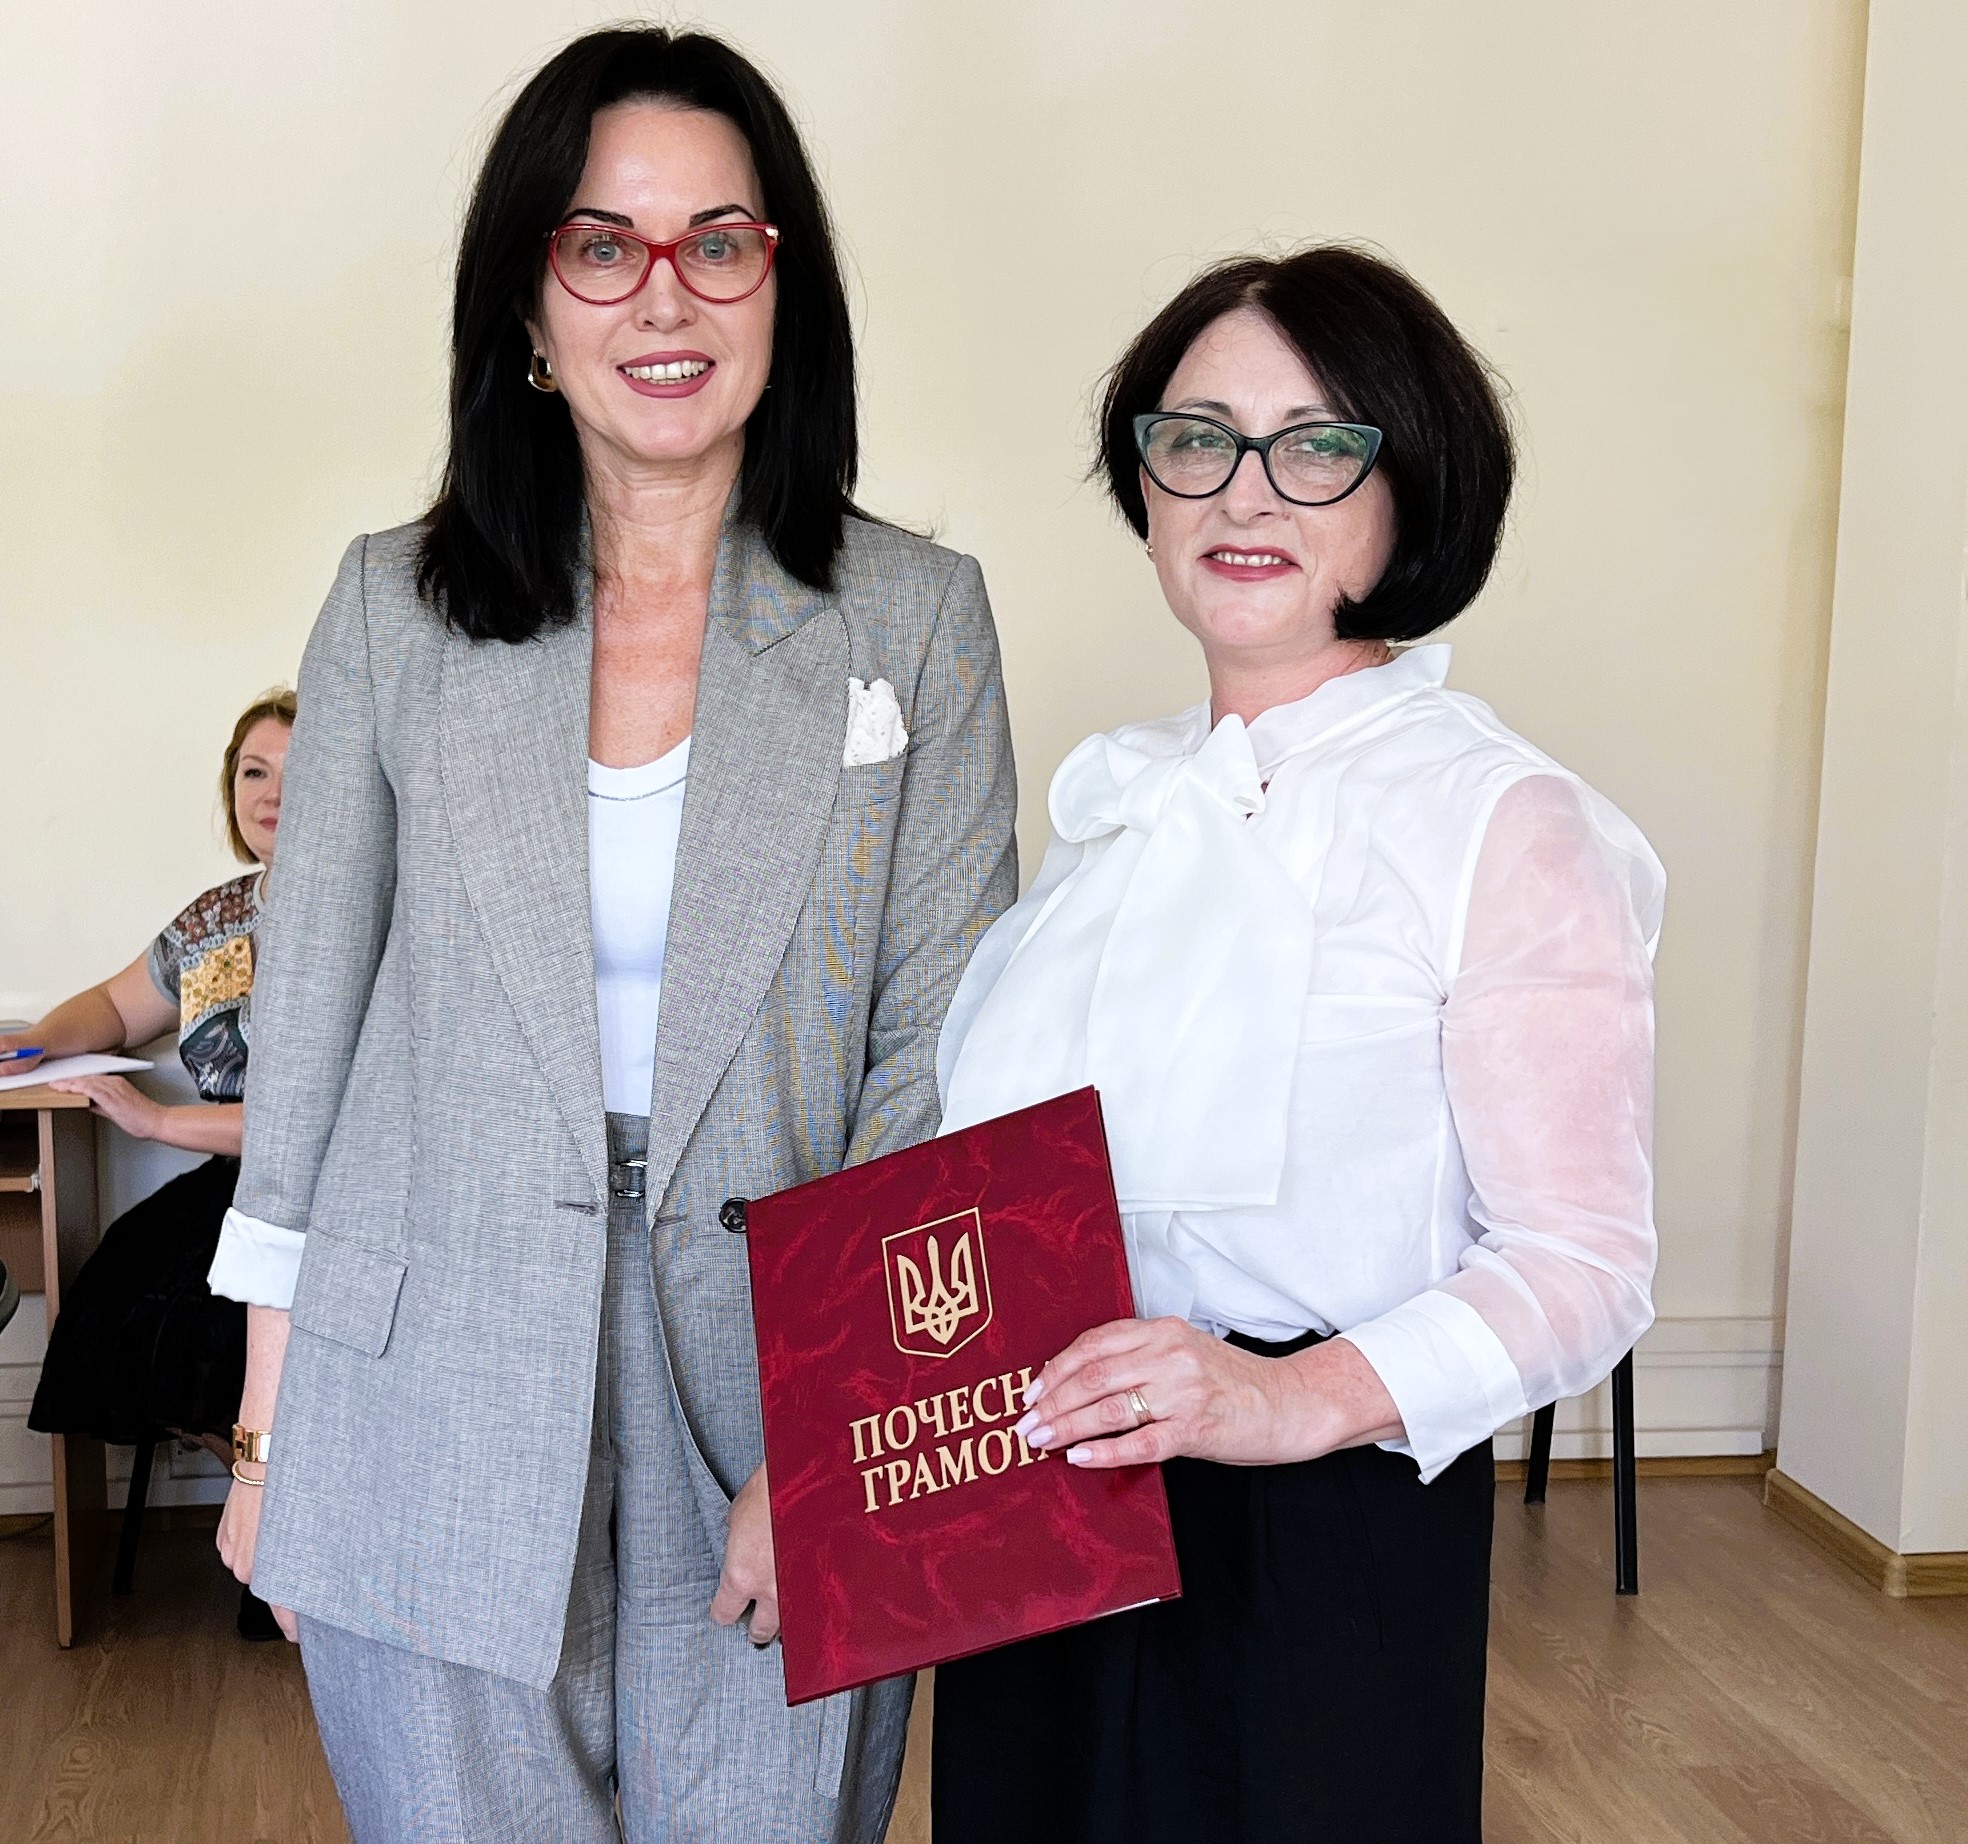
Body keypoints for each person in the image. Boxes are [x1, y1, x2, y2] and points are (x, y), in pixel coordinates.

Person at [207, 26, 1015, 1844]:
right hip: (423, 1372)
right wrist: (265, 1443)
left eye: (718, 242)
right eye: (601, 245)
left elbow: (937, 1057)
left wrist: (845, 1430)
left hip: (778, 1362)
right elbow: (308, 1039)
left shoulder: (916, 614)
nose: (665, 294)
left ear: (782, 288)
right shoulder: (391, 611)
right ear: (527, 307)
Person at [931, 247, 1664, 1843]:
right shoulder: (1114, 808)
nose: (1244, 492)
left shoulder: (1501, 821)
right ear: (1146, 484)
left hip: (1319, 1523)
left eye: (1317, 443)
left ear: (1413, 486)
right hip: (1041, 1496)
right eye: (1196, 439)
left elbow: (1587, 1263)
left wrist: (1284, 1404)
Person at [18, 688, 293, 1640]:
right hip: (232, 1178)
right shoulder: (217, 918)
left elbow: (315, 1121)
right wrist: (33, 1043)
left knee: (218, 1330)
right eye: (254, 772)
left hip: (331, 1192)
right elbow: (111, 1007)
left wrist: (156, 1122)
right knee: (115, 1310)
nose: (271, 793)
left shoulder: (370, 911)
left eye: (298, 773)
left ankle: (287, 1539)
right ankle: (274, 1526)